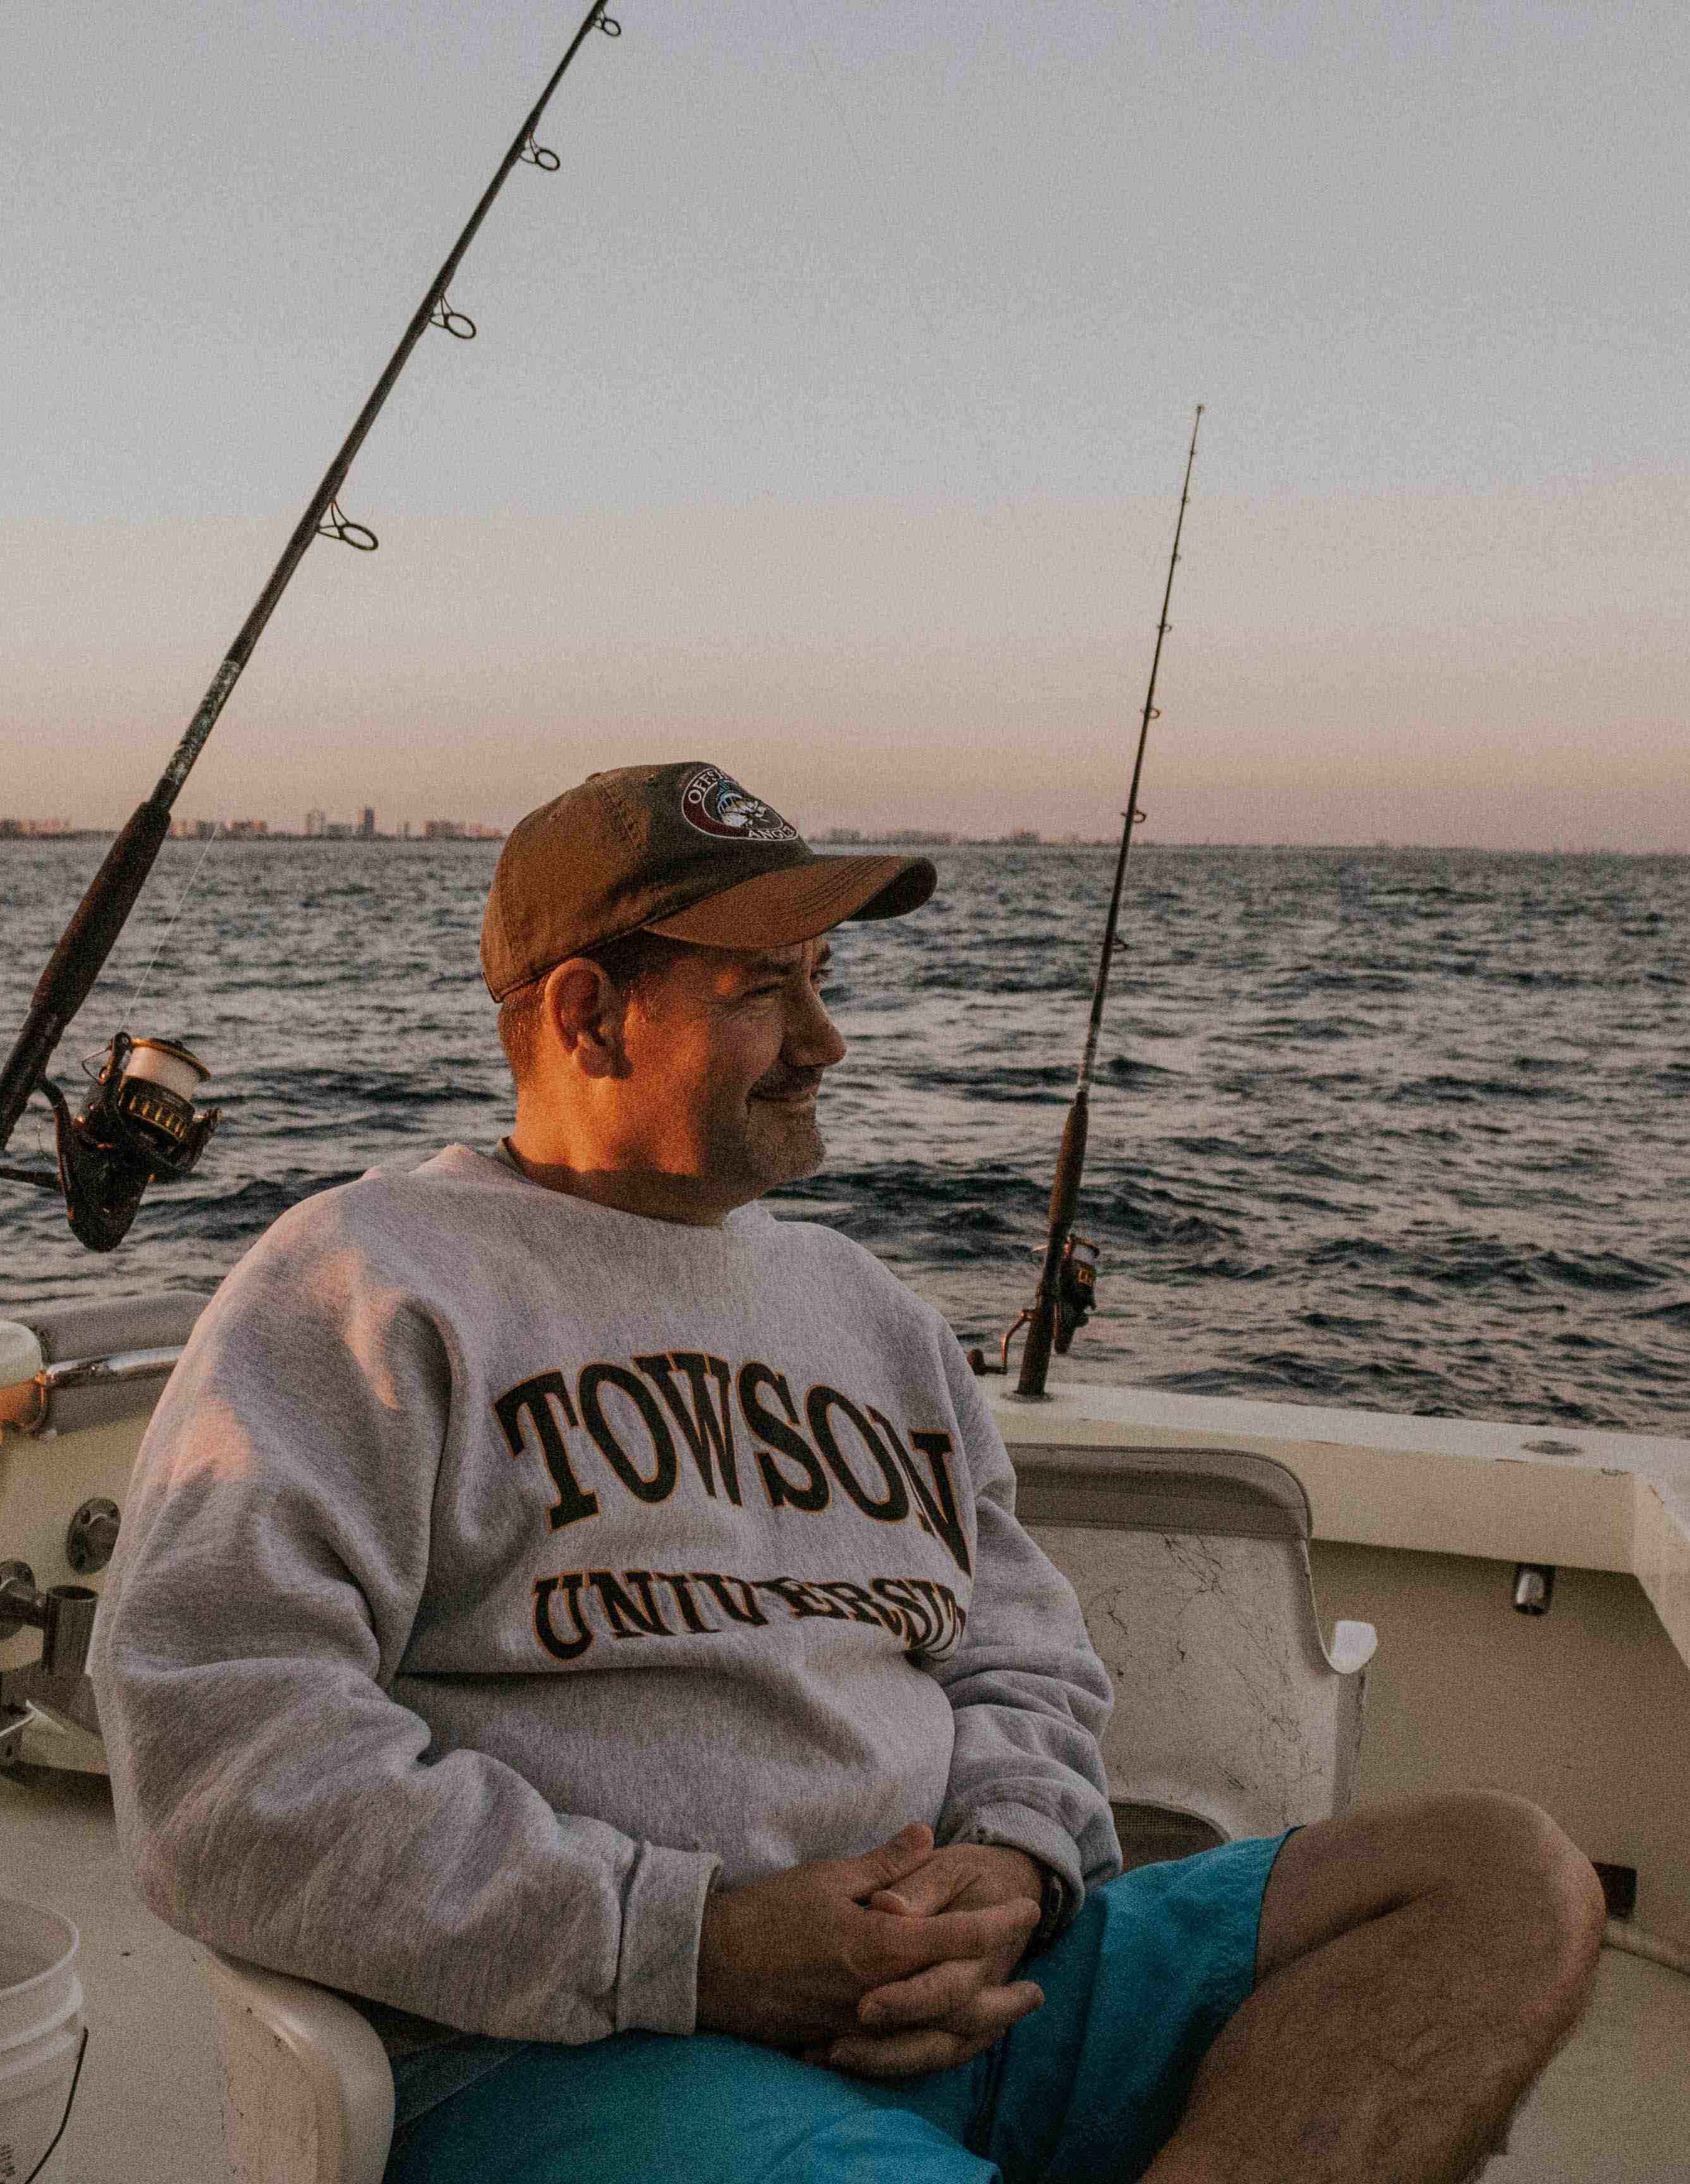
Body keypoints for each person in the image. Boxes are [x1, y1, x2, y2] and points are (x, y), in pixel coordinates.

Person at [98, 761, 1602, 2184]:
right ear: (588, 1015)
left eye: (825, 982)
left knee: (1499, 1882)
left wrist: (1011, 1869)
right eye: (766, 991)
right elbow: (224, 1749)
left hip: (972, 1993)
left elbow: (1024, 1656)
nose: (827, 1042)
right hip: (589, 2046)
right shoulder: (359, 1288)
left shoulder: (872, 1316)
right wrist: (696, 1944)